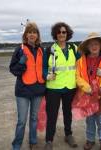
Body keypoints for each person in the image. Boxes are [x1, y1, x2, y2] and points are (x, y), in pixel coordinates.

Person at [9, 22, 47, 150]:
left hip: (38, 90)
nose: (32, 34)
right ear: (26, 35)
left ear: (37, 35)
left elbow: (44, 68)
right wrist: (21, 63)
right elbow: (13, 69)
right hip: (23, 91)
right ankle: (17, 145)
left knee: (34, 118)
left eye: (34, 32)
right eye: (29, 32)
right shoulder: (19, 49)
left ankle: (33, 141)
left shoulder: (41, 49)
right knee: (21, 121)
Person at [44, 22, 81, 150]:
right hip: (53, 88)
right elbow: (43, 68)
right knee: (52, 115)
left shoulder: (74, 48)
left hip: (69, 87)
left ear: (67, 34)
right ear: (55, 34)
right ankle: (49, 140)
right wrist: (46, 76)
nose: (61, 34)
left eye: (64, 32)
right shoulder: (49, 50)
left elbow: (84, 61)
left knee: (67, 113)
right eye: (59, 32)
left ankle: (68, 135)